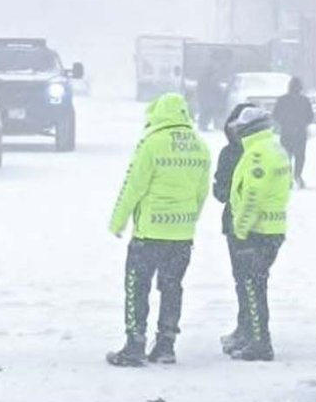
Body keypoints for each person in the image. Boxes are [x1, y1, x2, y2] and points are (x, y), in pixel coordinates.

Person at [108, 93, 211, 367]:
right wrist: (189, 221)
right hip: (182, 235)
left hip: (149, 233)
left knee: (137, 287)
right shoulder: (200, 146)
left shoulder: (151, 144)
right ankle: (166, 345)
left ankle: (135, 345)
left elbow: (134, 187)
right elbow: (202, 192)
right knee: (172, 287)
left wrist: (118, 222)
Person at [227, 106, 293, 361]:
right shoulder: (275, 148)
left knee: (253, 288)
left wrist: (240, 230)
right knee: (256, 285)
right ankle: (256, 338)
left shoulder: (258, 153)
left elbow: (252, 196)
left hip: (258, 231)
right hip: (273, 228)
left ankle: (260, 343)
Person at [213, 101, 256, 355]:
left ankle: (251, 329)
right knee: (244, 280)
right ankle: (246, 326)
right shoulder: (231, 153)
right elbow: (220, 189)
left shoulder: (244, 153)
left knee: (249, 280)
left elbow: (220, 190)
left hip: (247, 224)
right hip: (239, 224)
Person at [273, 76, 314, 189]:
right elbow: (310, 116)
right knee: (300, 156)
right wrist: (302, 123)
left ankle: (287, 177)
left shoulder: (282, 100)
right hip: (300, 133)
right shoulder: (304, 101)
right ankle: (298, 175)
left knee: (286, 157)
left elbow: (275, 115)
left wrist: (284, 122)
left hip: (286, 132)